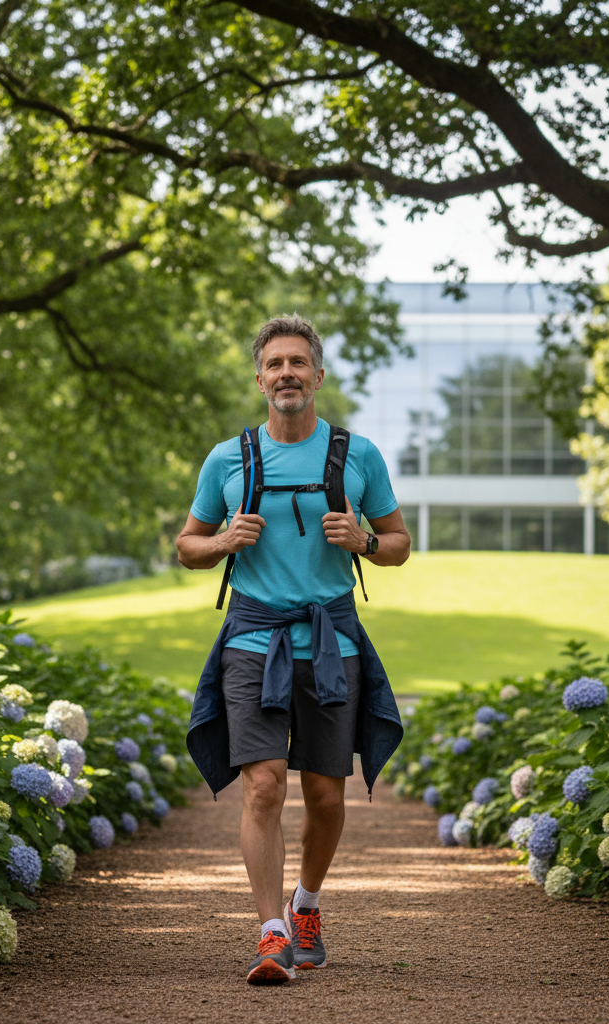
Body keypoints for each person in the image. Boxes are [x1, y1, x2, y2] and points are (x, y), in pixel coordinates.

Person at [177, 314, 410, 985]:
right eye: (275, 364)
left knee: (328, 796)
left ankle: (306, 904)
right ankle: (271, 932)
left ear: (317, 376)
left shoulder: (357, 456)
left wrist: (363, 540)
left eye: (298, 363)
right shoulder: (227, 458)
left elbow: (398, 544)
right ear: (259, 378)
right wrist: (223, 541)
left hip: (333, 643)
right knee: (263, 786)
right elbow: (187, 545)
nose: (287, 374)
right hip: (251, 640)